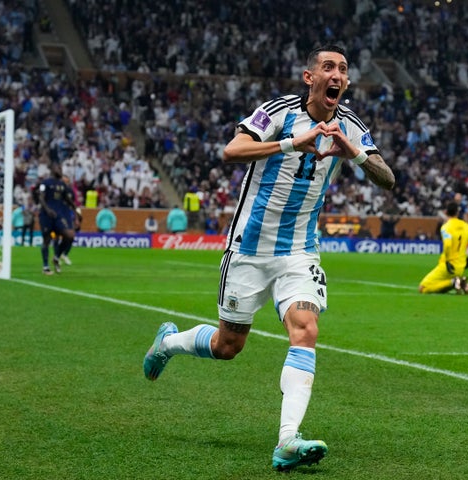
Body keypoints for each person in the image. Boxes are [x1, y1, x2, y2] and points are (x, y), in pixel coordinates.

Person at [143, 44, 394, 471]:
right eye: (328, 67)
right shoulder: (278, 112)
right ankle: (168, 343)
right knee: (228, 346)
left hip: (299, 251)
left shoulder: (350, 125)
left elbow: (387, 178)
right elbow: (231, 150)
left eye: (344, 70)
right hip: (249, 249)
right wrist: (291, 143)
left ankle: (287, 440)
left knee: (305, 328)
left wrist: (351, 152)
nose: (337, 75)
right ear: (309, 77)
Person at [418, 201, 468, 294]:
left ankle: (454, 282)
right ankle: (459, 283)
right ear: (457, 213)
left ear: (446, 212)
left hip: (448, 266)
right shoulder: (467, 227)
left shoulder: (446, 227)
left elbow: (448, 245)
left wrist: (448, 261)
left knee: (423, 288)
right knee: (440, 283)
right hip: (461, 267)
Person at [37, 162, 77, 275]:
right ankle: (45, 267)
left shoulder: (62, 184)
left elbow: (68, 199)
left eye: (61, 168)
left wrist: (75, 211)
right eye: (58, 167)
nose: (60, 169)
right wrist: (47, 209)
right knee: (47, 240)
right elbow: (41, 197)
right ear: (52, 169)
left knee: (69, 235)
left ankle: (57, 256)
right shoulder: (45, 183)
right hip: (46, 215)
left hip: (59, 216)